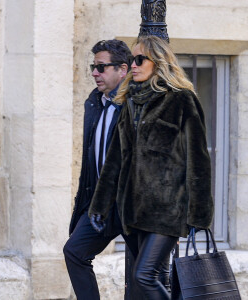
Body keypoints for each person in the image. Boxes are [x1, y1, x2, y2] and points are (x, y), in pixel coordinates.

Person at [89, 35, 214, 300]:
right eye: (132, 60)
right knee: (154, 278)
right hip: (133, 211)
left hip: (167, 209)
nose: (132, 65)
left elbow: (199, 160)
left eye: (139, 59)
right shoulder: (131, 102)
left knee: (143, 276)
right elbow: (114, 160)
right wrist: (99, 205)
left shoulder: (181, 100)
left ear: (157, 62)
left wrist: (199, 214)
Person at [63, 39, 169, 300]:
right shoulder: (95, 103)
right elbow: (92, 159)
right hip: (101, 205)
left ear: (123, 69)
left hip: (133, 206)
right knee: (75, 252)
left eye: (101, 67)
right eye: (93, 67)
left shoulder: (138, 103)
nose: (95, 73)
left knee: (146, 275)